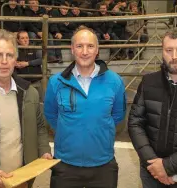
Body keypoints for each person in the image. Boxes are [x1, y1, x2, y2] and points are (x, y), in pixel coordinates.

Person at [44, 26, 127, 188]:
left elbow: (118, 115)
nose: (85, 51)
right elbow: (51, 115)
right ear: (72, 50)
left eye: (90, 46)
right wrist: (70, 133)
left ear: (97, 50)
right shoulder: (56, 82)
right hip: (65, 164)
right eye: (79, 46)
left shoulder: (115, 81)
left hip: (103, 165)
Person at [0, 29, 52, 188]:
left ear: (15, 60)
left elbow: (39, 126)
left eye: (9, 55)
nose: (4, 61)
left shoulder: (30, 93)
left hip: (22, 181)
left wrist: (44, 150)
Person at [128, 27, 177, 188]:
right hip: (151, 173)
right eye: (169, 50)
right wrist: (155, 166)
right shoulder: (148, 82)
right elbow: (135, 123)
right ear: (162, 51)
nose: (174, 56)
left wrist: (167, 167)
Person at [15, 30, 44, 101]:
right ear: (18, 40)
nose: (25, 40)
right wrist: (14, 63)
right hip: (21, 84)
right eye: (22, 38)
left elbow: (42, 59)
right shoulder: (14, 50)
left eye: (27, 38)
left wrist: (27, 63)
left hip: (36, 82)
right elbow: (10, 60)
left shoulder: (35, 48)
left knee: (40, 103)